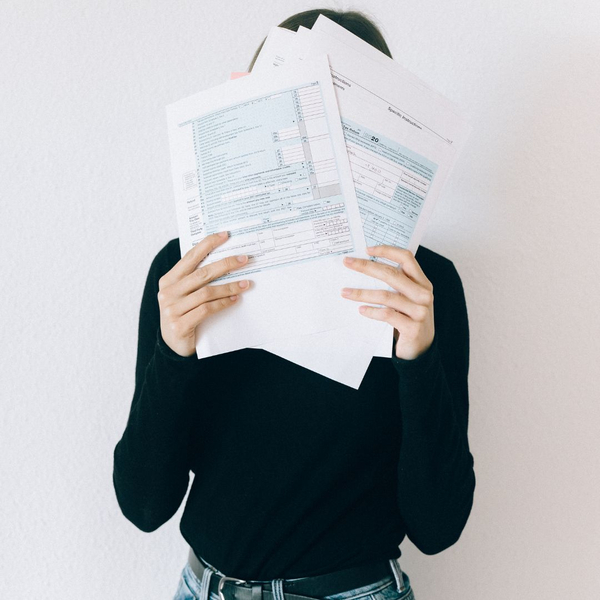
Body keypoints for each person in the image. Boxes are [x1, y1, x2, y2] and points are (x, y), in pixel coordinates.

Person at [112, 9, 476, 600]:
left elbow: (438, 528)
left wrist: (417, 357)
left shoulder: (424, 286)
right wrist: (175, 353)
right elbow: (143, 504)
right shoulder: (185, 274)